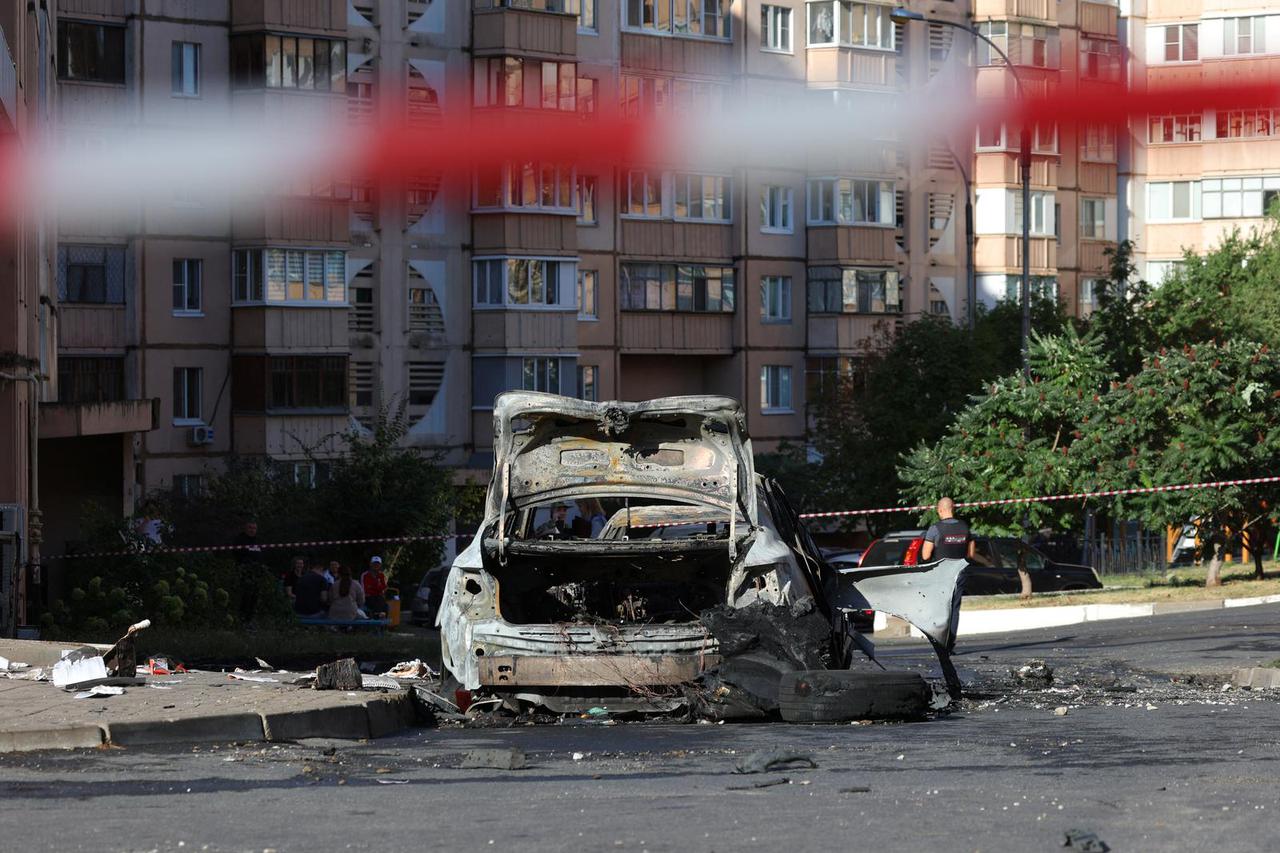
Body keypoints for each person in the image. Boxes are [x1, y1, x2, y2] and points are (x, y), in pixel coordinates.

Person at [920, 497, 975, 562]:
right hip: (961, 570)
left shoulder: (935, 528)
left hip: (942, 570)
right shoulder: (965, 527)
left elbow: (925, 556)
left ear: (940, 510)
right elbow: (971, 555)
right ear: (953, 509)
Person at [233, 520, 267, 622]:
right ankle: (241, 617)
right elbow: (236, 555)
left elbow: (263, 554)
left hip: (257, 572)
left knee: (255, 596)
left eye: (254, 528)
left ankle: (250, 619)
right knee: (245, 595)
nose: (252, 530)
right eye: (250, 528)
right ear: (245, 528)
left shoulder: (258, 540)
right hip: (245, 572)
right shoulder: (240, 540)